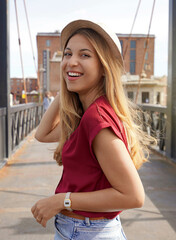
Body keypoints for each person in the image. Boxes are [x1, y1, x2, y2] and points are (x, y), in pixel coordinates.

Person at [32, 19, 153, 239]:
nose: (72, 61)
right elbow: (42, 134)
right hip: (80, 229)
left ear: (104, 68)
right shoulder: (85, 115)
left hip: (88, 232)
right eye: (67, 54)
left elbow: (133, 196)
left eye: (85, 55)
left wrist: (62, 200)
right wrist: (67, 84)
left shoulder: (96, 120)